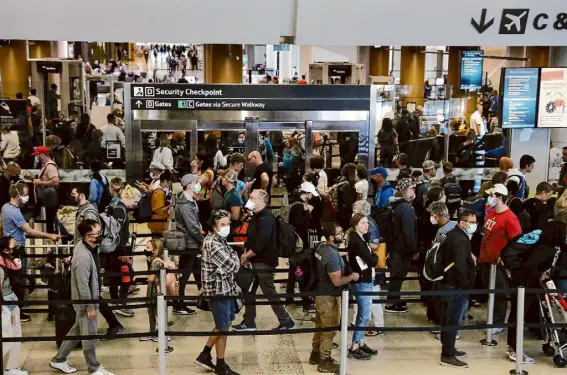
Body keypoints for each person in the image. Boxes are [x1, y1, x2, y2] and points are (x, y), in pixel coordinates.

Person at [49, 219, 115, 375]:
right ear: (87, 236)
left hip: (89, 298)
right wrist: (90, 306)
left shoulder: (86, 246)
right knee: (89, 336)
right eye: (97, 233)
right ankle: (93, 367)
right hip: (86, 302)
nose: (100, 235)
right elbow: (83, 285)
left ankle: (59, 360)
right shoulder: (83, 257)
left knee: (77, 331)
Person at [233, 189, 295, 331]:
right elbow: (252, 238)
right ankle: (249, 321)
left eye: (253, 198)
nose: (250, 199)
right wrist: (247, 254)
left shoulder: (267, 218)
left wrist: (246, 255)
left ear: (261, 201)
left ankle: (286, 321)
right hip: (254, 260)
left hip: (264, 262)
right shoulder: (256, 216)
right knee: (249, 291)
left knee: (269, 292)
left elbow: (262, 242)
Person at [1, 182, 60, 322]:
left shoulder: (5, 207)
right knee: (18, 280)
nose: (27, 196)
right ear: (18, 195)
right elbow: (29, 230)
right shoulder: (14, 212)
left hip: (12, 247)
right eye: (26, 194)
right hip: (17, 249)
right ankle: (17, 311)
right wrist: (49, 235)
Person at [195, 210, 241, 375]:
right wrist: (235, 257)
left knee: (224, 325)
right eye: (223, 224)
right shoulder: (213, 243)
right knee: (223, 329)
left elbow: (232, 259)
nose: (226, 227)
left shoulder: (221, 240)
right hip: (218, 291)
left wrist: (234, 256)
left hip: (226, 289)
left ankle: (205, 354)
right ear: (215, 227)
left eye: (228, 224)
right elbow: (233, 266)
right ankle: (220, 365)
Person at [310, 222, 359, 373]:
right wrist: (352, 276)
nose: (342, 234)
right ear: (331, 237)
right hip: (328, 296)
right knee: (329, 329)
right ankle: (324, 361)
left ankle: (315, 354)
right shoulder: (331, 255)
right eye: (339, 233)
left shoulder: (321, 248)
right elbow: (337, 281)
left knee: (320, 325)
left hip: (319, 293)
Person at [478, 184, 522, 335]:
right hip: (485, 259)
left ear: (500, 198)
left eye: (492, 196)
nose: (489, 198)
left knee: (499, 293)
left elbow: (517, 242)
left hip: (498, 263)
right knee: (490, 292)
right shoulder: (491, 213)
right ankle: (492, 317)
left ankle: (498, 321)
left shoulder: (510, 218)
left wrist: (506, 259)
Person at [437, 209, 477, 369]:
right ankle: (447, 354)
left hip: (450, 284)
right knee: (452, 319)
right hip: (454, 286)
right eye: (472, 222)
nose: (474, 225)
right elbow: (460, 266)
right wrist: (466, 284)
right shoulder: (460, 240)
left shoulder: (454, 234)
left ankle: (449, 347)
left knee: (449, 319)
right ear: (462, 222)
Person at [347, 213, 379, 360]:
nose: (366, 225)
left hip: (365, 278)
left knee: (364, 312)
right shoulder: (356, 241)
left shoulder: (361, 238)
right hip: (361, 281)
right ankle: (354, 347)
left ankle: (360, 341)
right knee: (364, 314)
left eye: (367, 223)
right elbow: (371, 260)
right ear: (355, 225)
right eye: (362, 223)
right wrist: (375, 255)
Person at [385, 178, 418, 313]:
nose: (414, 190)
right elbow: (408, 231)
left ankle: (394, 299)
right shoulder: (406, 208)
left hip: (395, 246)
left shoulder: (395, 205)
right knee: (398, 276)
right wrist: (413, 250)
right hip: (402, 248)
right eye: (411, 188)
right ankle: (391, 303)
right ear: (404, 190)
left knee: (396, 275)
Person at [172, 174, 203, 315]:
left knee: (194, 272)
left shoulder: (188, 201)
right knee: (184, 275)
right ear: (189, 185)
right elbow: (192, 227)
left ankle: (199, 299)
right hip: (189, 244)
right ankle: (178, 304)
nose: (198, 184)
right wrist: (202, 241)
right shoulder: (185, 205)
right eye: (196, 182)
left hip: (190, 242)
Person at [108, 185, 138, 318]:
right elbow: (118, 232)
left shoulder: (119, 209)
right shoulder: (121, 210)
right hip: (118, 250)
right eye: (135, 201)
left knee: (115, 276)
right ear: (128, 197)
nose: (135, 204)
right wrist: (123, 251)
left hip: (115, 249)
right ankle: (121, 304)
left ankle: (116, 303)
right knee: (127, 275)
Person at [1, 237, 28, 375]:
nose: (15, 248)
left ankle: (11, 367)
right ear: (5, 249)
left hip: (12, 301)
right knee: (7, 336)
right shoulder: (1, 266)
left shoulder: (8, 264)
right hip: (4, 304)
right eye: (13, 247)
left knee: (16, 335)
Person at [140, 239, 174, 348]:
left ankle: (162, 333)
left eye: (148, 247)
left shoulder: (155, 262)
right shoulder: (157, 260)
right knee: (152, 311)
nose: (145, 249)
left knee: (155, 311)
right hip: (154, 290)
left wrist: (146, 275)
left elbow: (151, 278)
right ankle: (153, 332)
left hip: (154, 291)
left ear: (155, 250)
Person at [24, 146, 60, 234]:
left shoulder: (50, 166)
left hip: (49, 198)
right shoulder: (45, 166)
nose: (37, 157)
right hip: (47, 197)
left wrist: (40, 183)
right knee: (48, 221)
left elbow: (55, 181)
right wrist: (32, 179)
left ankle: (51, 242)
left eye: (37, 155)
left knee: (50, 222)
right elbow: (45, 180)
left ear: (42, 155)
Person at [147, 171, 172, 235]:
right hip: (158, 222)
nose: (170, 184)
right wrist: (170, 206)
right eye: (170, 182)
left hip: (157, 222)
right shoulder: (160, 193)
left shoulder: (158, 190)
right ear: (166, 181)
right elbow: (159, 210)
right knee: (158, 242)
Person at [336, 163, 358, 231]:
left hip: (340, 213)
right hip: (345, 216)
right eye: (356, 171)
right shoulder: (346, 185)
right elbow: (348, 203)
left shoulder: (340, 179)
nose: (356, 174)